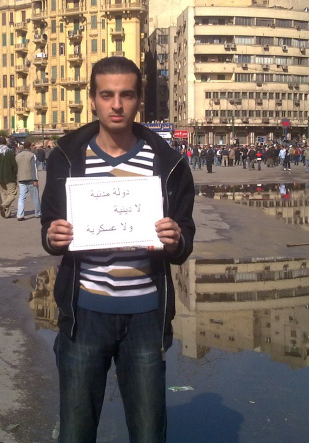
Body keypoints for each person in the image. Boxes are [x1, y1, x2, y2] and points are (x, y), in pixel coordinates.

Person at [41, 56, 195, 442]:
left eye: (126, 94)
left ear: (139, 99)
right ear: (92, 99)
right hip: (84, 313)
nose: (116, 104)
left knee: (147, 432)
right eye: (107, 94)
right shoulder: (67, 158)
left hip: (145, 316)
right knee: (76, 431)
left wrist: (176, 239)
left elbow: (185, 237)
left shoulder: (169, 163)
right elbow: (50, 222)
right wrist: (52, 237)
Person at [0, 136, 17, 218]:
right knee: (12, 194)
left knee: (4, 195)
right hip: (10, 177)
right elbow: (14, 165)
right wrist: (15, 173)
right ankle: (3, 205)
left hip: (0, 178)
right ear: (6, 143)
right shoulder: (10, 152)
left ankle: (6, 214)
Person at [15, 141, 41, 221]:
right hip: (31, 179)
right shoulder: (32, 155)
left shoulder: (17, 156)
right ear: (30, 147)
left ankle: (20, 214)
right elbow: (34, 168)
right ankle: (38, 213)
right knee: (35, 197)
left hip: (21, 179)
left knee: (21, 197)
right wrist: (35, 179)